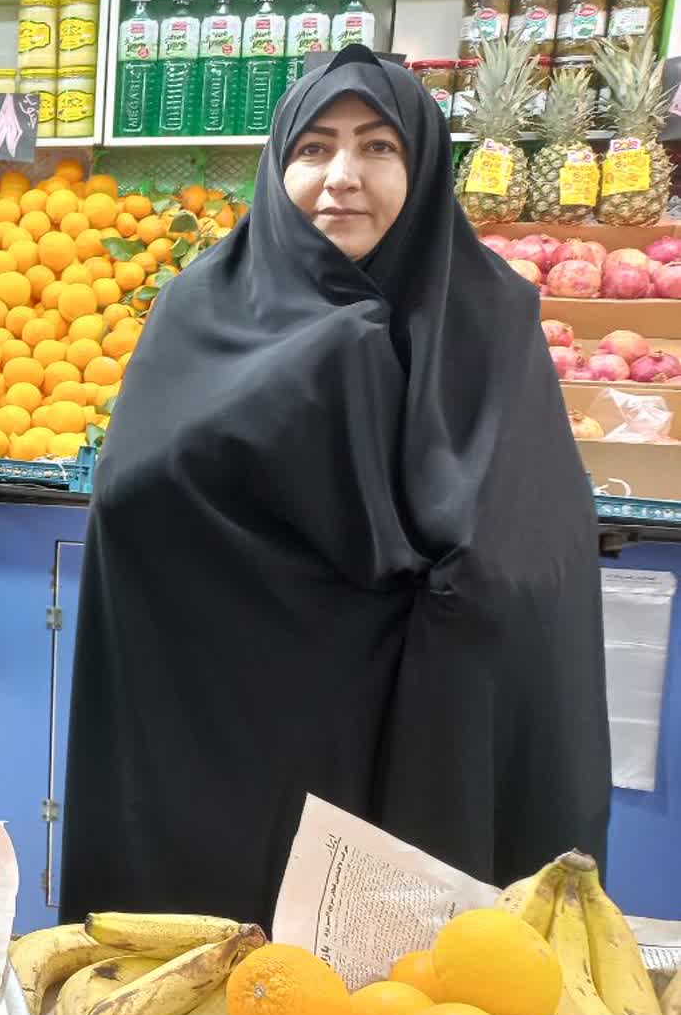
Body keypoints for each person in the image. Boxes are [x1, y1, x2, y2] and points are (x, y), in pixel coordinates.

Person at [60, 45, 610, 926]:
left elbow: (535, 545)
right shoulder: (201, 310)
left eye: (377, 148)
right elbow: (136, 506)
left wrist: (436, 586)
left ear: (423, 165)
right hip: (237, 726)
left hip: (438, 726)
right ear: (277, 166)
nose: (340, 177)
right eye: (312, 149)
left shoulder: (490, 316)